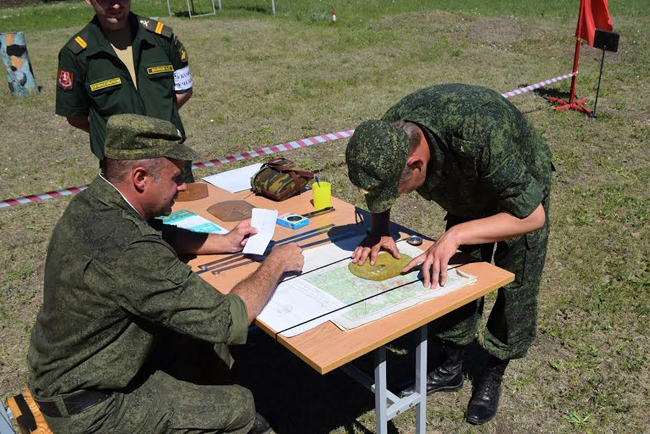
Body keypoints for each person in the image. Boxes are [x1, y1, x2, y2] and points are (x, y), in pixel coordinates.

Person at [27, 114, 304, 434]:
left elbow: (157, 232)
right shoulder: (133, 251)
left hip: (66, 375)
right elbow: (229, 321)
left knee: (203, 346)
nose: (183, 185)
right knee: (239, 407)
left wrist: (224, 241)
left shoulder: (96, 202)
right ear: (141, 177)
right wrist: (277, 262)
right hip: (93, 411)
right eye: (175, 177)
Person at [345, 83, 552, 425]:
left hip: (518, 189)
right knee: (452, 272)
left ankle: (494, 368)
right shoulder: (387, 137)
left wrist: (455, 233)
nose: (394, 198)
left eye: (396, 190)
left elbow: (532, 215)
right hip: (466, 186)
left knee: (517, 279)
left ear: (415, 163)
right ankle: (450, 365)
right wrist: (379, 229)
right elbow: (384, 188)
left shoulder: (480, 132)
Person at [55, 0, 196, 182]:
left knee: (185, 210)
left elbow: (183, 91)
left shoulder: (161, 38)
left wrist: (158, 123)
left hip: (171, 158)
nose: (115, 5)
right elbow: (76, 116)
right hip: (122, 168)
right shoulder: (77, 53)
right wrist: (121, 136)